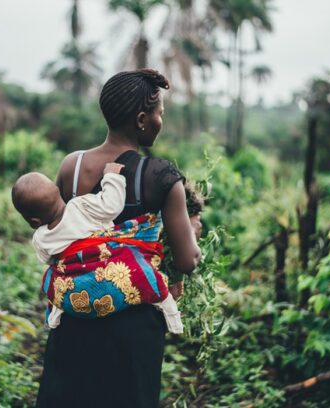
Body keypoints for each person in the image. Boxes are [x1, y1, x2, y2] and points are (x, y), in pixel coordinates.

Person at [35, 69, 201, 408]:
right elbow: (187, 261)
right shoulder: (161, 177)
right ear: (142, 119)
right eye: (159, 114)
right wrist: (193, 234)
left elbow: (60, 231)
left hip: (75, 317)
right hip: (132, 331)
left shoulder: (72, 167)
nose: (160, 121)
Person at [11, 164, 183, 333]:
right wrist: (111, 176)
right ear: (57, 191)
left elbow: (49, 260)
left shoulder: (41, 238)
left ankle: (55, 314)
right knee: (142, 271)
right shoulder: (80, 205)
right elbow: (112, 206)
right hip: (108, 270)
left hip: (77, 290)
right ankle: (171, 313)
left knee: (51, 278)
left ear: (34, 222)